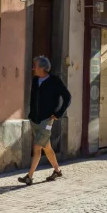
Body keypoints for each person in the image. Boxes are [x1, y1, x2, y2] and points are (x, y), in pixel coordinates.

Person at [19, 56, 71, 185]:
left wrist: (58, 114)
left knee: (37, 147)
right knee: (46, 147)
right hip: (35, 120)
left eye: (35, 66)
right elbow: (33, 99)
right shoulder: (36, 80)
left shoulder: (55, 81)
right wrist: (31, 115)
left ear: (42, 67)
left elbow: (67, 97)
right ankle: (57, 171)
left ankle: (29, 177)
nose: (33, 68)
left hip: (47, 121)